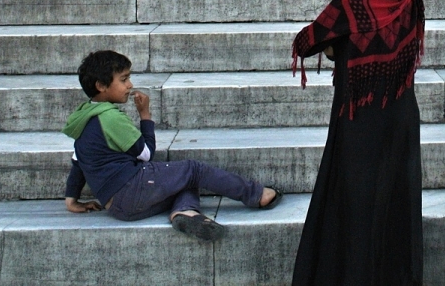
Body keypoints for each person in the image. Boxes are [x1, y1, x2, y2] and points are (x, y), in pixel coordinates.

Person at [291, 0, 425, 286]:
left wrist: (337, 47)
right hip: (401, 114)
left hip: (359, 119)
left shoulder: (351, 4)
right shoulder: (412, 0)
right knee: (396, 205)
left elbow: (305, 43)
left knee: (355, 207)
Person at [63, 50, 282, 240]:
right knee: (193, 170)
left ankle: (185, 213)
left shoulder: (83, 117)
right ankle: (256, 194)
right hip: (133, 188)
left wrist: (71, 201)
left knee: (180, 179)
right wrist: (145, 115)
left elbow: (77, 162)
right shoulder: (110, 118)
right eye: (123, 79)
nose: (130, 85)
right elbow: (146, 154)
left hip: (118, 206)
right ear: (101, 86)